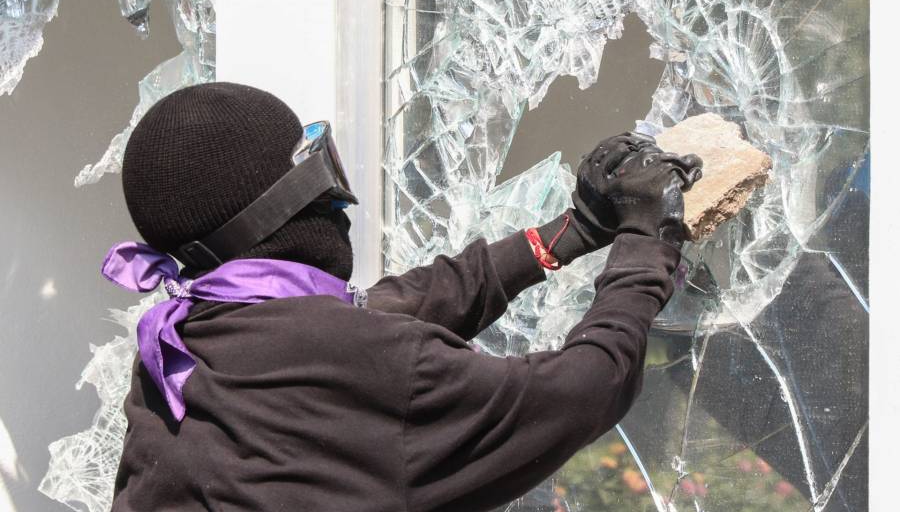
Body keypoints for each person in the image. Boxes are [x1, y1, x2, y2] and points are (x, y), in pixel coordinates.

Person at [107, 82, 702, 512]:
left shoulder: (177, 345)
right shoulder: (368, 364)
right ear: (282, 208)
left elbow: (378, 309)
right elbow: (585, 389)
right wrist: (649, 242)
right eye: (319, 175)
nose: (338, 201)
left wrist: (569, 233)